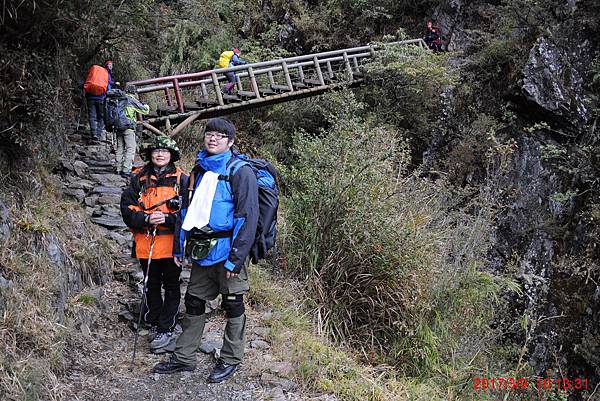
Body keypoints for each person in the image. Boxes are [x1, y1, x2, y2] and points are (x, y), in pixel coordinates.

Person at [153, 118, 259, 383]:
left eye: (220, 136)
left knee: (233, 305)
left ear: (231, 142)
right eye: (209, 134)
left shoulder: (241, 171)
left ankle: (230, 359)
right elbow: (187, 211)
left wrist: (236, 260)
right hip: (202, 249)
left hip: (228, 251)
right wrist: (180, 246)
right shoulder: (199, 169)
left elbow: (247, 218)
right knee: (194, 301)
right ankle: (184, 357)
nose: (213, 138)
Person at [120, 135, 189, 353]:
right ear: (150, 154)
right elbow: (127, 208)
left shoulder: (182, 180)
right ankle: (153, 319)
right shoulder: (138, 178)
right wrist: (146, 219)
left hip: (171, 245)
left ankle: (166, 325)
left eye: (165, 151)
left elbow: (190, 213)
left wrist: (168, 220)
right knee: (150, 284)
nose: (160, 154)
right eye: (156, 150)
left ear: (172, 155)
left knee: (171, 285)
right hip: (145, 243)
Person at [116, 84, 150, 178]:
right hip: (128, 127)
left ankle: (118, 168)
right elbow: (145, 111)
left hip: (118, 127)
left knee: (120, 148)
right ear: (133, 92)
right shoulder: (131, 100)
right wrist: (146, 105)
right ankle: (126, 170)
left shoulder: (119, 99)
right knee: (131, 148)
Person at [85, 60, 114, 140]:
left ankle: (93, 133)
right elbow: (108, 85)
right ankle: (98, 134)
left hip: (90, 98)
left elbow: (87, 82)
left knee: (92, 116)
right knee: (101, 117)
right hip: (101, 98)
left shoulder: (93, 73)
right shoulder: (106, 74)